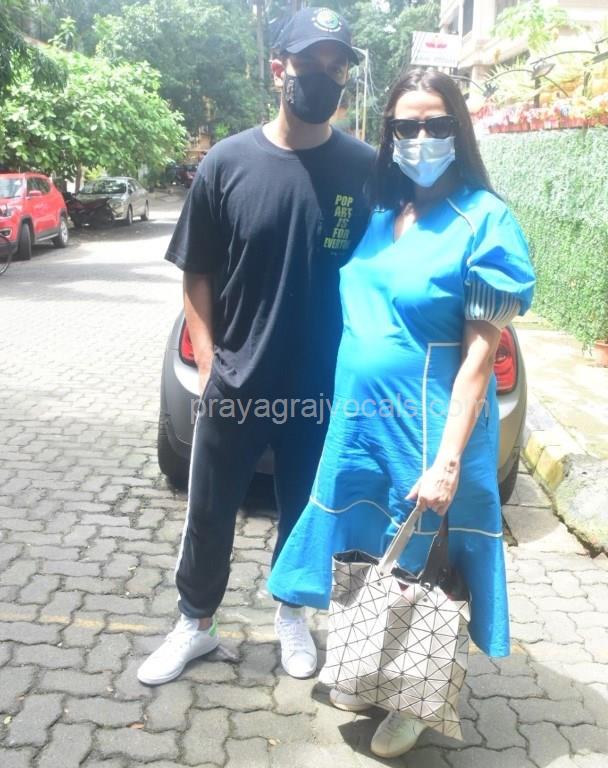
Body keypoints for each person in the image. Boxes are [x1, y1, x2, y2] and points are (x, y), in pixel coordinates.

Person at [267, 67, 536, 758]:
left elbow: (479, 359)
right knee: (367, 545)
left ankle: (413, 697)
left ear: (458, 129)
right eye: (405, 126)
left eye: (435, 123)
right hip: (362, 423)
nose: (420, 137)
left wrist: (447, 461)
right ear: (387, 135)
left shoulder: (485, 221)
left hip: (428, 426)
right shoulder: (385, 213)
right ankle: (370, 665)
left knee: (424, 558)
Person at [137, 7, 375, 686]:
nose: (324, 76)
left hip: (321, 386)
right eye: (310, 63)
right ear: (278, 70)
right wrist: (210, 363)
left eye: (336, 66)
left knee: (304, 511)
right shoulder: (227, 162)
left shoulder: (364, 169)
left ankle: (291, 616)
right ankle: (195, 624)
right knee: (209, 511)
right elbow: (196, 273)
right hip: (237, 382)